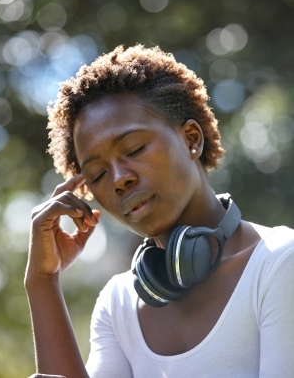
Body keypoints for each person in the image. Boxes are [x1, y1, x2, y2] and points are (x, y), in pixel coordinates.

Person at [25, 45, 294, 378]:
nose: (119, 180)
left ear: (191, 139)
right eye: (97, 175)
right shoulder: (118, 305)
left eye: (134, 149)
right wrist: (43, 280)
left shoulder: (280, 263)